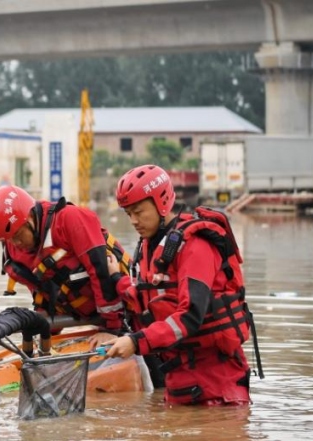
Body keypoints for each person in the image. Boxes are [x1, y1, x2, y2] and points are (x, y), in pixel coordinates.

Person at [104, 164, 254, 406]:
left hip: (217, 388)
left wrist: (135, 341)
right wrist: (116, 279)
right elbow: (144, 296)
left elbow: (190, 316)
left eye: (138, 212)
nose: (133, 221)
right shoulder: (150, 246)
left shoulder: (196, 246)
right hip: (179, 382)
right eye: (128, 213)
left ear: (161, 202)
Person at [0, 184, 130, 355]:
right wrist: (45, 332)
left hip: (124, 309)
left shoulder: (69, 220)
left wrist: (111, 328)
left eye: (17, 235)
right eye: (8, 240)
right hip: (79, 314)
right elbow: (40, 292)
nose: (16, 244)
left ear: (30, 218)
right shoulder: (15, 250)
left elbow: (100, 271)